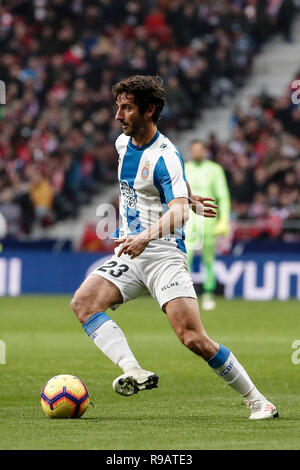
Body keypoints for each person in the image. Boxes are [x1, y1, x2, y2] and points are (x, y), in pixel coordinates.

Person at [70, 75, 278, 420]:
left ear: (149, 110)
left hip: (163, 253)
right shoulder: (123, 145)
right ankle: (132, 369)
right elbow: (161, 190)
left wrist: (164, 218)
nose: (118, 116)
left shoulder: (165, 154)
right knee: (84, 303)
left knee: (193, 337)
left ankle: (259, 400)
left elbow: (178, 213)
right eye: (118, 107)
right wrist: (185, 195)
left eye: (126, 108)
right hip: (132, 253)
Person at [185, 140, 231, 311]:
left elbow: (223, 196)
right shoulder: (184, 168)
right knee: (184, 256)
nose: (196, 153)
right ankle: (185, 294)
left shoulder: (214, 169)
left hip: (208, 218)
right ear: (191, 151)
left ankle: (209, 294)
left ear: (204, 151)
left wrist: (224, 219)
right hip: (187, 219)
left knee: (209, 257)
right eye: (193, 150)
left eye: (199, 150)